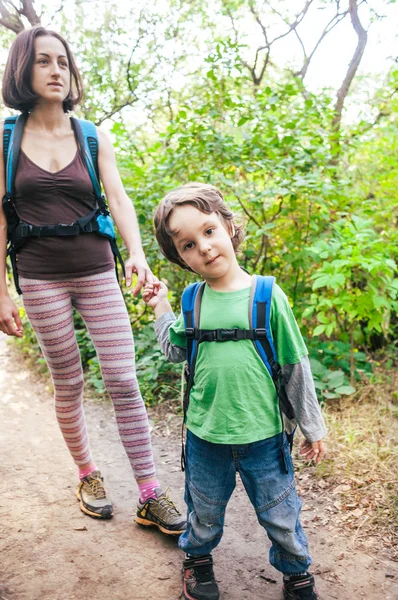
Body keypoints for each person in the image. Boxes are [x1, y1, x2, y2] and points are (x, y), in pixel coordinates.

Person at [0, 26, 185, 535]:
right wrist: (2, 289)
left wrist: (137, 255)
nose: (56, 70)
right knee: (69, 382)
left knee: (124, 379)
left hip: (97, 270)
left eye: (62, 61)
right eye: (43, 61)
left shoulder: (91, 134)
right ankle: (87, 475)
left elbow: (119, 199)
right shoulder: (6, 140)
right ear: (22, 69)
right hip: (39, 279)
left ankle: (149, 492)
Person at [142, 182, 327, 600]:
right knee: (203, 511)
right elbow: (174, 351)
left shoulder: (267, 295)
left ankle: (296, 573)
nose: (204, 248)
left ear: (228, 226)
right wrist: (161, 308)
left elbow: (295, 365)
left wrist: (312, 426)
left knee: (281, 514)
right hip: (206, 437)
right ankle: (198, 561)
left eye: (209, 231)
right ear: (181, 258)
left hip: (264, 436)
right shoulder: (193, 301)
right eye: (188, 244)